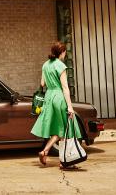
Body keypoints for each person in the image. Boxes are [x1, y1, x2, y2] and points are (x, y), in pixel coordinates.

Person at [31, 41, 82, 169]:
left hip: (49, 97)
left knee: (60, 128)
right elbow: (65, 88)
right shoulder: (60, 65)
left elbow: (42, 84)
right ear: (62, 52)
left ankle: (46, 152)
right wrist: (70, 106)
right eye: (65, 52)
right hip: (59, 97)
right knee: (66, 128)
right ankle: (64, 161)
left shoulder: (45, 65)